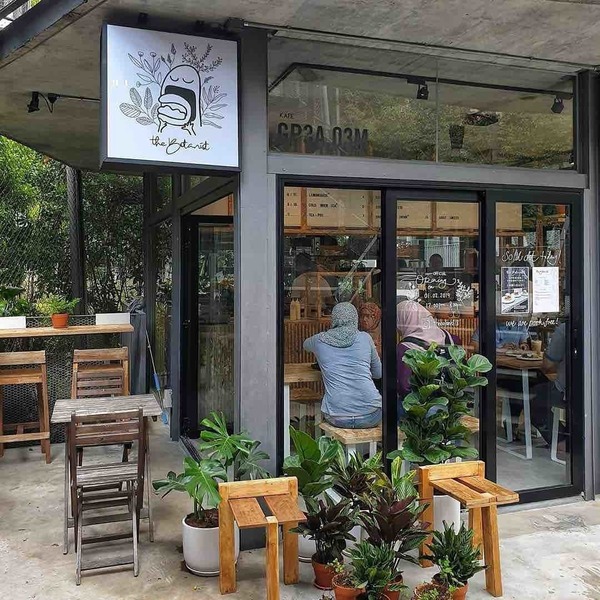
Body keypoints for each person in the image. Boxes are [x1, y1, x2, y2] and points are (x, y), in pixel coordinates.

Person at [303, 302, 382, 429]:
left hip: (337, 416)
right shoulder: (365, 338)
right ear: (355, 318)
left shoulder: (319, 340)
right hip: (371, 414)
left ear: (334, 318)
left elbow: (305, 345)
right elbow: (378, 373)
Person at [396, 300, 460, 400]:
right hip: (450, 401)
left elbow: (404, 386)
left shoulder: (405, 348)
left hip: (421, 405)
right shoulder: (452, 339)